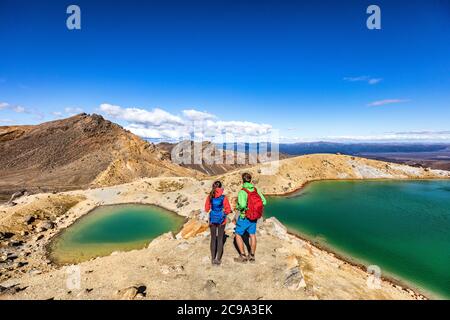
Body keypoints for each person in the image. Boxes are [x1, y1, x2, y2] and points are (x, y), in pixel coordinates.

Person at [234, 172, 266, 263]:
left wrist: (239, 207)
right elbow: (264, 202)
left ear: (242, 180)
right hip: (254, 217)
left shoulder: (242, 191)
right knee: (252, 234)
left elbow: (243, 205)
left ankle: (243, 256)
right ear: (250, 180)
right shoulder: (256, 190)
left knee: (238, 234)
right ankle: (252, 256)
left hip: (245, 217)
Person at [204, 180, 231, 265]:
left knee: (213, 238)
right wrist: (223, 213)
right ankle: (218, 259)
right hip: (221, 220)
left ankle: (212, 258)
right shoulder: (224, 197)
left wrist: (212, 212)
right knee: (220, 239)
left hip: (212, 219)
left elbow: (206, 209)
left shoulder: (210, 196)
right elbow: (228, 210)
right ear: (220, 187)